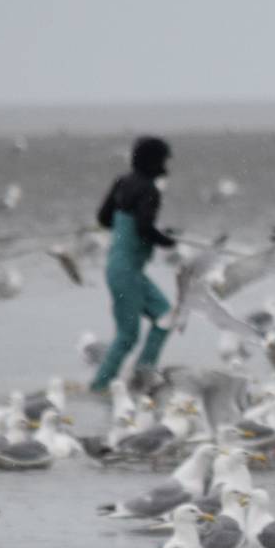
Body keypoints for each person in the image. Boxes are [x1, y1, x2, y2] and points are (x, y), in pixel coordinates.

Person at [91, 136, 179, 392]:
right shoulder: (150, 189)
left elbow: (104, 218)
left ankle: (142, 374)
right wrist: (166, 240)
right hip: (127, 272)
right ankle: (101, 386)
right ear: (157, 161)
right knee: (128, 335)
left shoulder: (122, 182)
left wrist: (142, 230)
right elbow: (144, 227)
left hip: (120, 268)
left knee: (166, 316)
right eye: (164, 159)